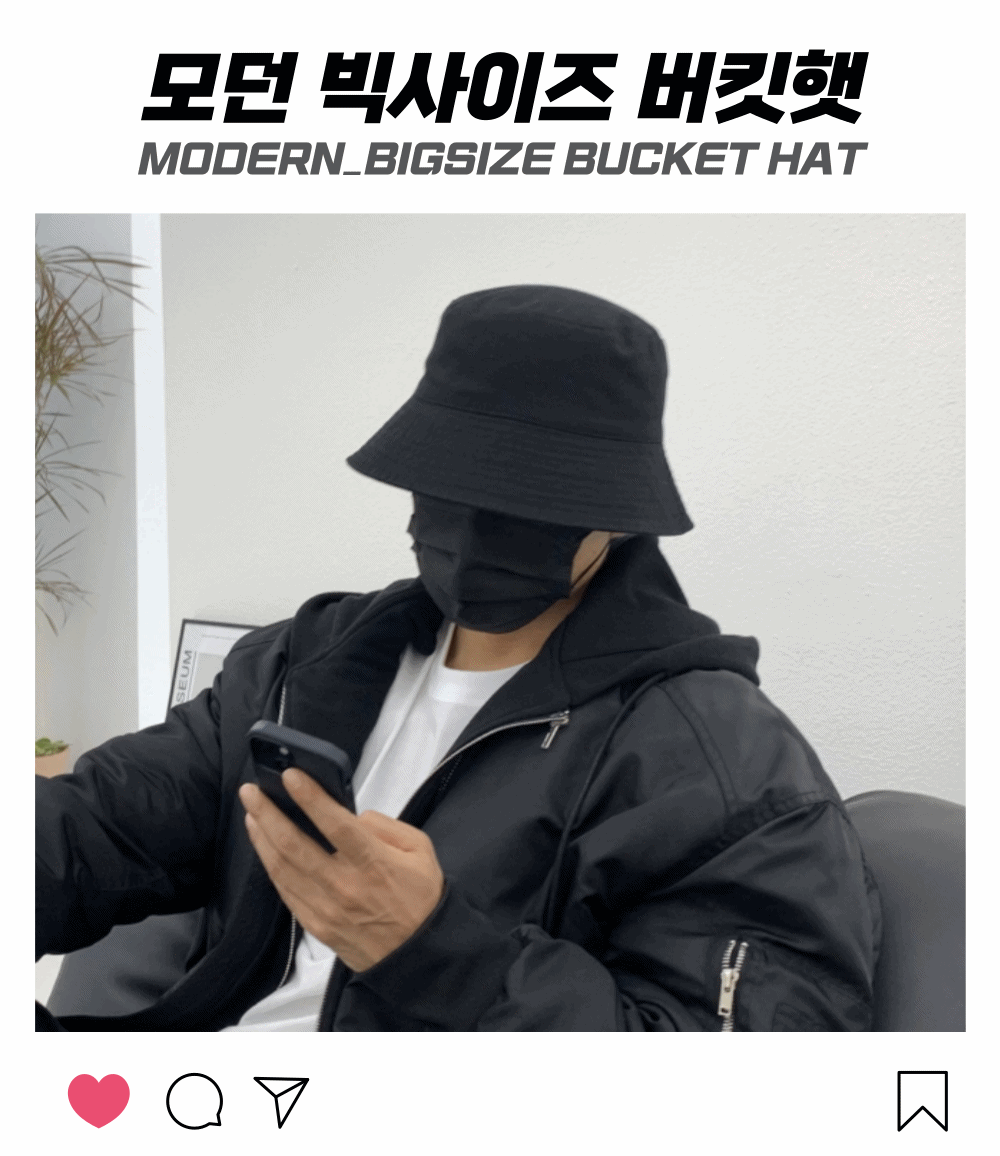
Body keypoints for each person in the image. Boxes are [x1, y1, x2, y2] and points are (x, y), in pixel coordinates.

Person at [35, 284, 881, 1032]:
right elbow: (101, 824)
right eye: (448, 485)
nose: (472, 533)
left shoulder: (725, 766)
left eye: (523, 503)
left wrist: (434, 955)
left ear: (619, 517)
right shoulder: (306, 664)